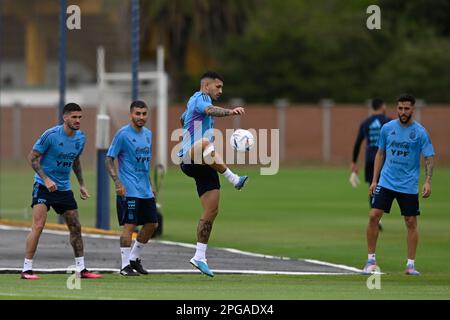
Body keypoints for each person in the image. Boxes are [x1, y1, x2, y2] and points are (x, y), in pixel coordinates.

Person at [178, 71, 248, 277]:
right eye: (218, 86)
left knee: (212, 210)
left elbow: (182, 118)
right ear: (206, 86)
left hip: (205, 161)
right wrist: (231, 112)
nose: (220, 90)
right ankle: (234, 178)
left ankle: (199, 256)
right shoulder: (201, 99)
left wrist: (186, 121)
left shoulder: (193, 102)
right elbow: (208, 110)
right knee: (206, 143)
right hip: (189, 159)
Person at [21, 103, 102, 280]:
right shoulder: (50, 135)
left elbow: (76, 160)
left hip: (64, 189)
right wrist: (46, 179)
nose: (78, 120)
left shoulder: (81, 138)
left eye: (80, 117)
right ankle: (26, 269)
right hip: (43, 187)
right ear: (65, 117)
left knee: (75, 226)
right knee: (39, 225)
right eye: (74, 117)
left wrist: (81, 184)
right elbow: (32, 158)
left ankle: (81, 269)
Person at [362, 94, 434, 276]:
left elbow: (429, 157)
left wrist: (427, 181)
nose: (403, 112)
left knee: (410, 222)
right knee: (373, 216)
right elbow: (380, 153)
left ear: (412, 109)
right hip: (386, 181)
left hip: (408, 184)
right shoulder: (387, 128)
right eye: (400, 108)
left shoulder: (420, 132)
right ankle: (370, 260)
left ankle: (410, 265)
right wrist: (374, 180)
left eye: (406, 108)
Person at [106, 100, 159, 276]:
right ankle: (124, 266)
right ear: (131, 114)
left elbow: (145, 162)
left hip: (145, 189)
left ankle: (134, 258)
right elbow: (108, 159)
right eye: (138, 113)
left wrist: (151, 185)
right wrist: (117, 182)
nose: (141, 117)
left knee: (152, 224)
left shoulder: (148, 135)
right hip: (129, 190)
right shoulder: (122, 134)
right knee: (130, 226)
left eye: (144, 114)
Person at [350, 98, 391, 231]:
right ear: (382, 106)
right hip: (385, 159)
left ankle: (375, 216)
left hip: (369, 159)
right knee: (387, 187)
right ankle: (379, 216)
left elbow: (357, 143)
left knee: (372, 187)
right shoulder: (389, 121)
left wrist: (354, 162)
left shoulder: (366, 123)